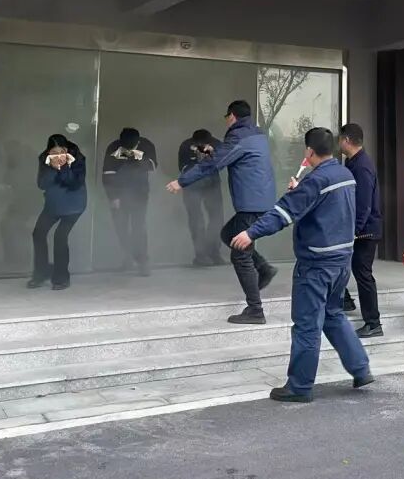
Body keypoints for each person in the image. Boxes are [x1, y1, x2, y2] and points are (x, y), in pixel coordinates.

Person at [231, 127, 373, 403]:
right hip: (342, 260)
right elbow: (325, 207)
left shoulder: (315, 181)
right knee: (333, 315)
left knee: (307, 325)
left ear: (309, 151)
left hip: (316, 264)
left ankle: (299, 386)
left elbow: (283, 213)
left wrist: (250, 233)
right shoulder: (344, 175)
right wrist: (301, 191)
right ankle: (360, 368)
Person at [168, 100, 278, 324]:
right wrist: (215, 152)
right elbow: (234, 156)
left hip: (251, 203)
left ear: (232, 116)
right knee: (228, 234)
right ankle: (263, 268)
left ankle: (255, 310)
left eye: (226, 116)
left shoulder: (238, 136)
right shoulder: (257, 134)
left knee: (240, 253)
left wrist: (181, 182)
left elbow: (213, 165)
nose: (226, 121)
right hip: (260, 199)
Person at [338, 123, 384, 338]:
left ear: (347, 140)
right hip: (358, 228)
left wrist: (354, 229)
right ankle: (345, 300)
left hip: (365, 231)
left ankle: (373, 323)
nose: (338, 143)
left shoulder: (362, 165)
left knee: (363, 274)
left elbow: (364, 204)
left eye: (340, 139)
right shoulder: (353, 162)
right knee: (344, 265)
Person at [30, 134, 87, 291]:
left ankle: (61, 277)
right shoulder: (44, 159)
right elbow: (42, 184)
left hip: (74, 205)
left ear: (66, 149)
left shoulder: (78, 158)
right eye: (54, 153)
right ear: (48, 152)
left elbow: (75, 183)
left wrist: (64, 167)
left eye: (61, 152)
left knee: (60, 236)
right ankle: (41, 273)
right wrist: (52, 168)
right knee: (38, 233)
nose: (58, 156)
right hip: (53, 204)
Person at [103, 128, 158, 277]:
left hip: (140, 193)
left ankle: (142, 261)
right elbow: (107, 174)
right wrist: (113, 197)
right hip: (118, 194)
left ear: (138, 141)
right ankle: (127, 257)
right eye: (125, 146)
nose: (127, 148)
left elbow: (153, 165)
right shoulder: (113, 147)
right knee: (121, 228)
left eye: (131, 146)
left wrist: (133, 156)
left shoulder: (146, 145)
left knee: (138, 228)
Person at [177, 129, 225, 267]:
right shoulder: (186, 145)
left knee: (217, 218)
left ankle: (214, 252)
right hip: (192, 184)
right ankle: (200, 254)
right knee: (196, 219)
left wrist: (211, 155)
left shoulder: (217, 144)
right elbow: (183, 167)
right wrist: (197, 161)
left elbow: (223, 163)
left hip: (212, 183)